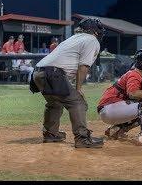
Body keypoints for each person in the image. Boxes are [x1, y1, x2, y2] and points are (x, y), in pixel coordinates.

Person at [32, 18, 105, 148]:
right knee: (78, 102)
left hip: (37, 73)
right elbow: (83, 67)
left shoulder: (74, 38)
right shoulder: (92, 40)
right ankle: (82, 138)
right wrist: (79, 88)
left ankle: (51, 134)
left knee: (54, 103)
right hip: (53, 73)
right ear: (94, 30)